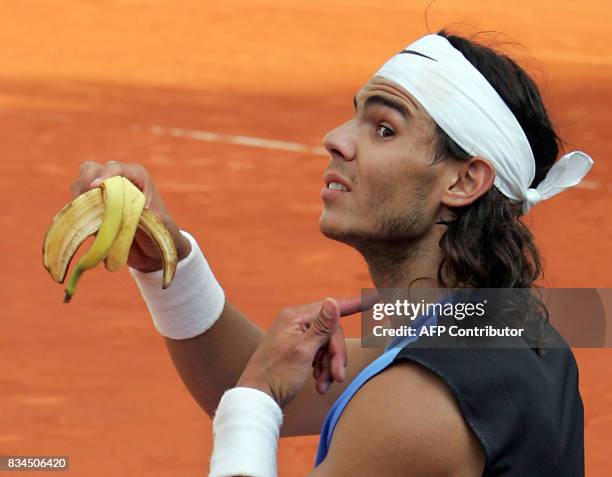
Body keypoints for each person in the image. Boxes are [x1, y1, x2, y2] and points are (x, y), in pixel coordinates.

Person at [72, 30, 592, 476]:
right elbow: (237, 377)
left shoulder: (415, 403)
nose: (335, 140)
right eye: (355, 116)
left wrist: (253, 400)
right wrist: (170, 261)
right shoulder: (509, 325)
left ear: (463, 180)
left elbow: (253, 391)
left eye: (384, 128)